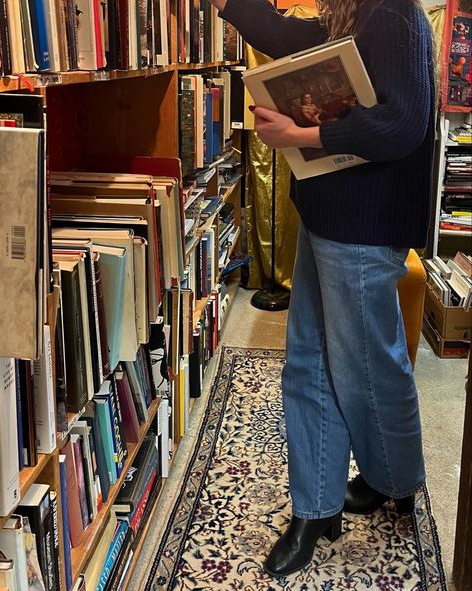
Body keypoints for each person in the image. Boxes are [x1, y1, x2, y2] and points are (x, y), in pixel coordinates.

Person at [208, 0, 435, 579]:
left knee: (365, 366)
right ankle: (316, 507)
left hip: (365, 222)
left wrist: (304, 132)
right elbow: (288, 35)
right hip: (325, 212)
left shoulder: (393, 13)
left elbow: (404, 124)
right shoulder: (350, 14)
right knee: (306, 365)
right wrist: (231, 6)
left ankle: (394, 482)